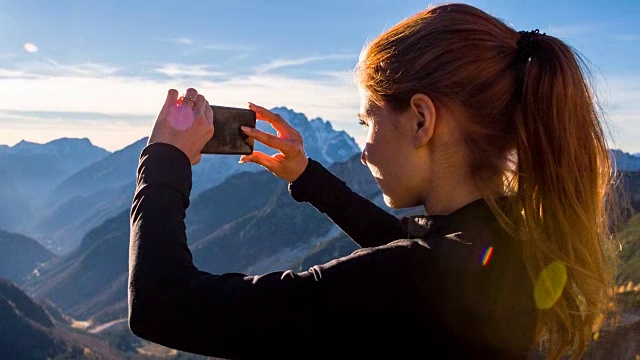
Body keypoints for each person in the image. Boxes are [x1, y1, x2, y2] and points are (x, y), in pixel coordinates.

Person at [128, 3, 617, 359]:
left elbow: (161, 305)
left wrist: (164, 158)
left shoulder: (410, 280)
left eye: (367, 122)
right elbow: (413, 250)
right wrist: (306, 176)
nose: (362, 149)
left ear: (422, 120)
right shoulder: (507, 239)